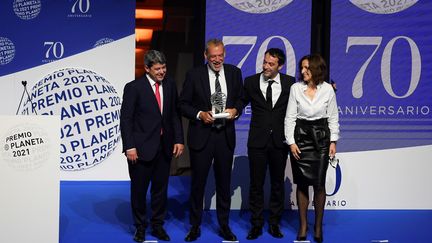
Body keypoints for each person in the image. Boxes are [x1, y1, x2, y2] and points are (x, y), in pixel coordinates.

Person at [179, 39, 243, 242]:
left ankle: (224, 226)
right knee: (198, 184)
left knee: (224, 184)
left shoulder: (234, 72)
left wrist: (236, 110)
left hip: (225, 137)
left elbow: (241, 98)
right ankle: (195, 226)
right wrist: (199, 114)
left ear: (224, 54)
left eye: (220, 55)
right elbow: (182, 104)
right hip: (201, 137)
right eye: (213, 56)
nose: (217, 59)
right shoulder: (194, 74)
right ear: (205, 56)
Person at [120, 50, 184, 242]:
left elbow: (174, 114)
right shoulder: (134, 87)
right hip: (140, 150)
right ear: (147, 68)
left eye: (164, 67)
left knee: (160, 190)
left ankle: (158, 225)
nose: (162, 72)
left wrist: (179, 139)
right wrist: (129, 146)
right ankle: (140, 227)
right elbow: (126, 119)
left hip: (164, 148)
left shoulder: (171, 85)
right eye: (157, 68)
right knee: (139, 191)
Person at [240, 48, 295, 240]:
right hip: (257, 142)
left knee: (277, 184)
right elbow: (239, 103)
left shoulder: (290, 83)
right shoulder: (251, 82)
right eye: (264, 62)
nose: (266, 66)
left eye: (271, 64)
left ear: (280, 65)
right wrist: (228, 111)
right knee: (256, 184)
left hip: (280, 142)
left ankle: (274, 223)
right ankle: (256, 224)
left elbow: (303, 101)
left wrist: (329, 88)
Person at [284, 54, 339, 243]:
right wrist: (291, 142)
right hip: (301, 138)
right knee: (301, 183)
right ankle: (303, 225)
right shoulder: (295, 89)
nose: (302, 71)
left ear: (316, 69)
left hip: (321, 139)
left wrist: (333, 141)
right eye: (301, 68)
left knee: (319, 184)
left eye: (306, 68)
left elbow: (333, 117)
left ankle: (317, 226)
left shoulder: (328, 91)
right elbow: (290, 117)